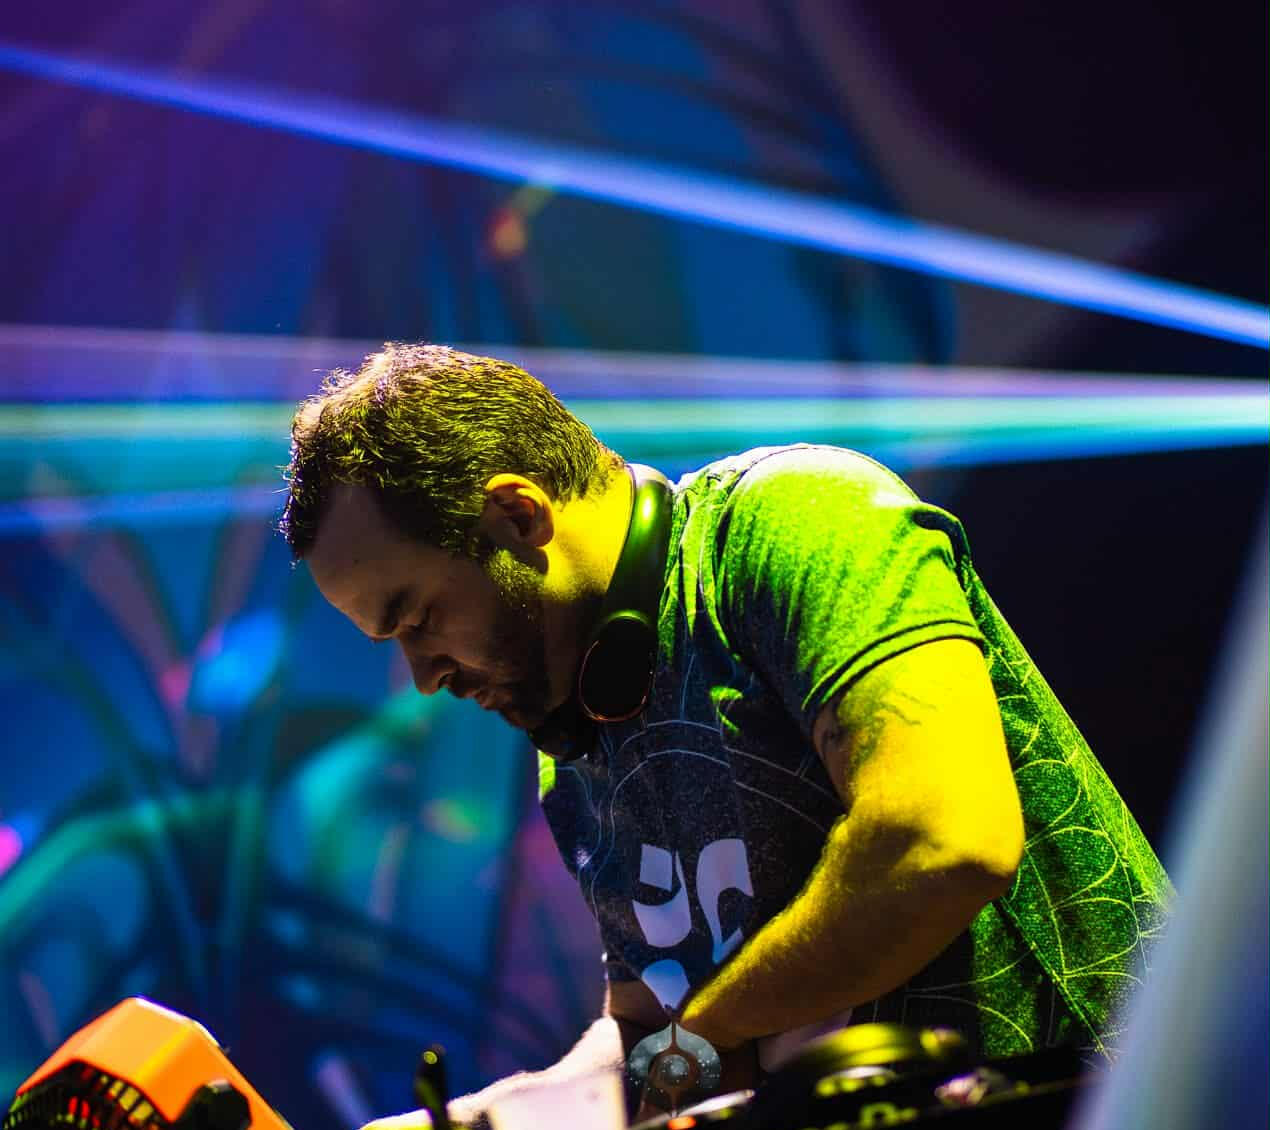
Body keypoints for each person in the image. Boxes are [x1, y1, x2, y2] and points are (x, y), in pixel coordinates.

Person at [280, 342, 1171, 1126]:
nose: (424, 677)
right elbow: (653, 1031)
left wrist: (700, 1036)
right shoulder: (577, 746)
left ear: (519, 516)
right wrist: (492, 1122)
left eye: (418, 618)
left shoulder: (798, 519)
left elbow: (941, 844)